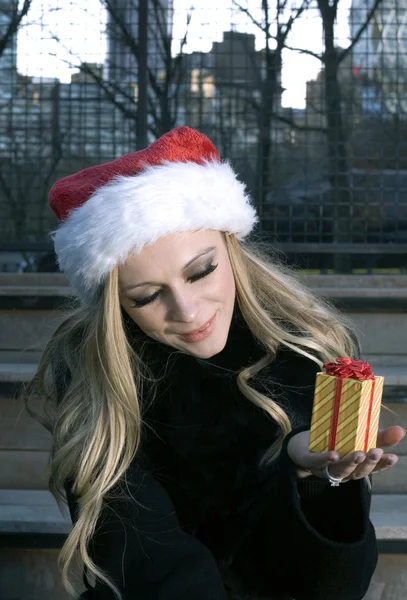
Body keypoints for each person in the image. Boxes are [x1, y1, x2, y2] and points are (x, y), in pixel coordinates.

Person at [25, 126, 404, 600]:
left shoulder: (309, 349)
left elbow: (334, 584)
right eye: (146, 296)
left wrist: (309, 475)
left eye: (201, 271)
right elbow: (143, 553)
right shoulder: (92, 373)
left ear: (232, 250)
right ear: (115, 305)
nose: (187, 312)